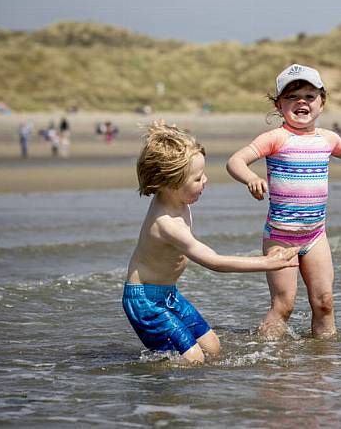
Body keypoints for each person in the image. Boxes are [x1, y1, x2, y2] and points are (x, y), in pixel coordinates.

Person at [227, 63, 341, 340]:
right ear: (279, 105)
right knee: (284, 305)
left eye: (309, 96)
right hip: (281, 236)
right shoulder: (275, 138)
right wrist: (250, 179)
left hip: (316, 235)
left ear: (321, 103)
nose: (301, 102)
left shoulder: (326, 138)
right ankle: (266, 357)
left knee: (324, 302)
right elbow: (235, 161)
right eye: (291, 97)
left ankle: (324, 360)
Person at [123, 122, 300, 364]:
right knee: (193, 359)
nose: (205, 180)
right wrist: (268, 263)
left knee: (213, 347)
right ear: (170, 183)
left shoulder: (177, 200)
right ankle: (159, 391)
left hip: (168, 293)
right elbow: (215, 262)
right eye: (197, 179)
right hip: (145, 301)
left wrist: (165, 134)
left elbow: (166, 156)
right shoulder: (166, 223)